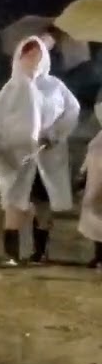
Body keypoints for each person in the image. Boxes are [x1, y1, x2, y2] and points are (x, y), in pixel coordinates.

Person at [0, 36, 79, 266]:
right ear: (19, 57)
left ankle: (40, 251)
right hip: (19, 155)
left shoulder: (55, 86)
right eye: (27, 54)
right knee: (14, 202)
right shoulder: (13, 87)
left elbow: (72, 110)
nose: (32, 59)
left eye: (37, 55)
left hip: (48, 154)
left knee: (42, 204)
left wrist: (54, 133)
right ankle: (11, 253)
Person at [77, 101, 102, 270]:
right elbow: (89, 158)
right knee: (95, 221)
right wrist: (82, 176)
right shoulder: (98, 139)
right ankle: (99, 256)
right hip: (96, 183)